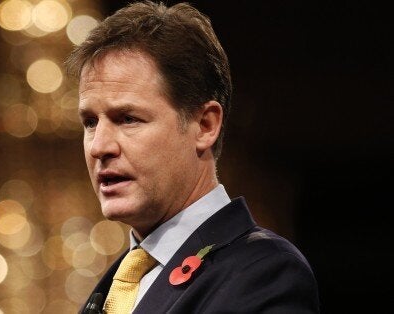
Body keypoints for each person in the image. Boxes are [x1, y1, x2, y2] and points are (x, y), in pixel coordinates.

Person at [65, 1, 320, 313]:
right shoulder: (109, 292)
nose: (99, 147)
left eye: (128, 118)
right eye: (90, 122)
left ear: (205, 125)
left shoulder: (262, 273)